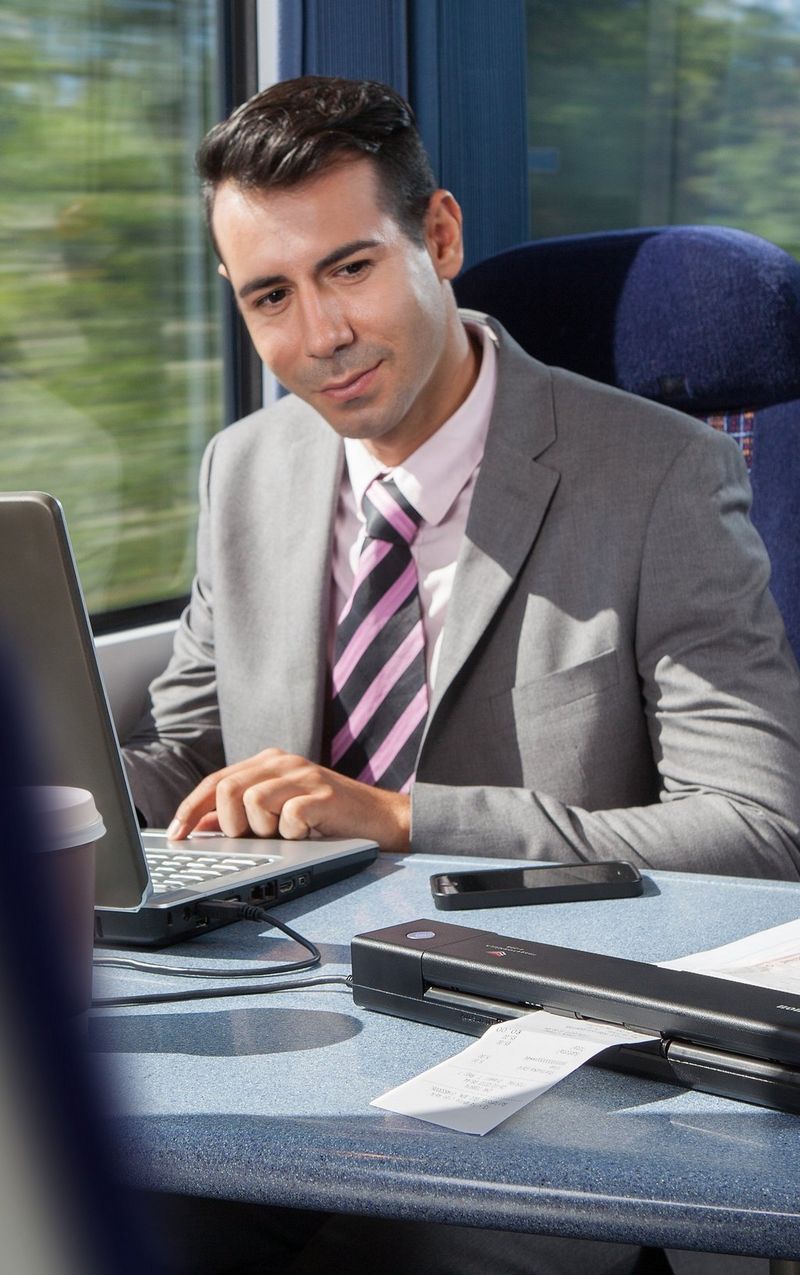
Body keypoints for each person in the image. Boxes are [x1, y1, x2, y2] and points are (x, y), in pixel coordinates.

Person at [124, 74, 800, 880]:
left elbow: (756, 830)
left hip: (537, 970)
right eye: (272, 296)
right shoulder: (240, 469)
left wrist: (402, 821)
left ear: (440, 238)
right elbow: (191, 759)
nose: (321, 335)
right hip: (287, 967)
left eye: (349, 270)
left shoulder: (664, 477)